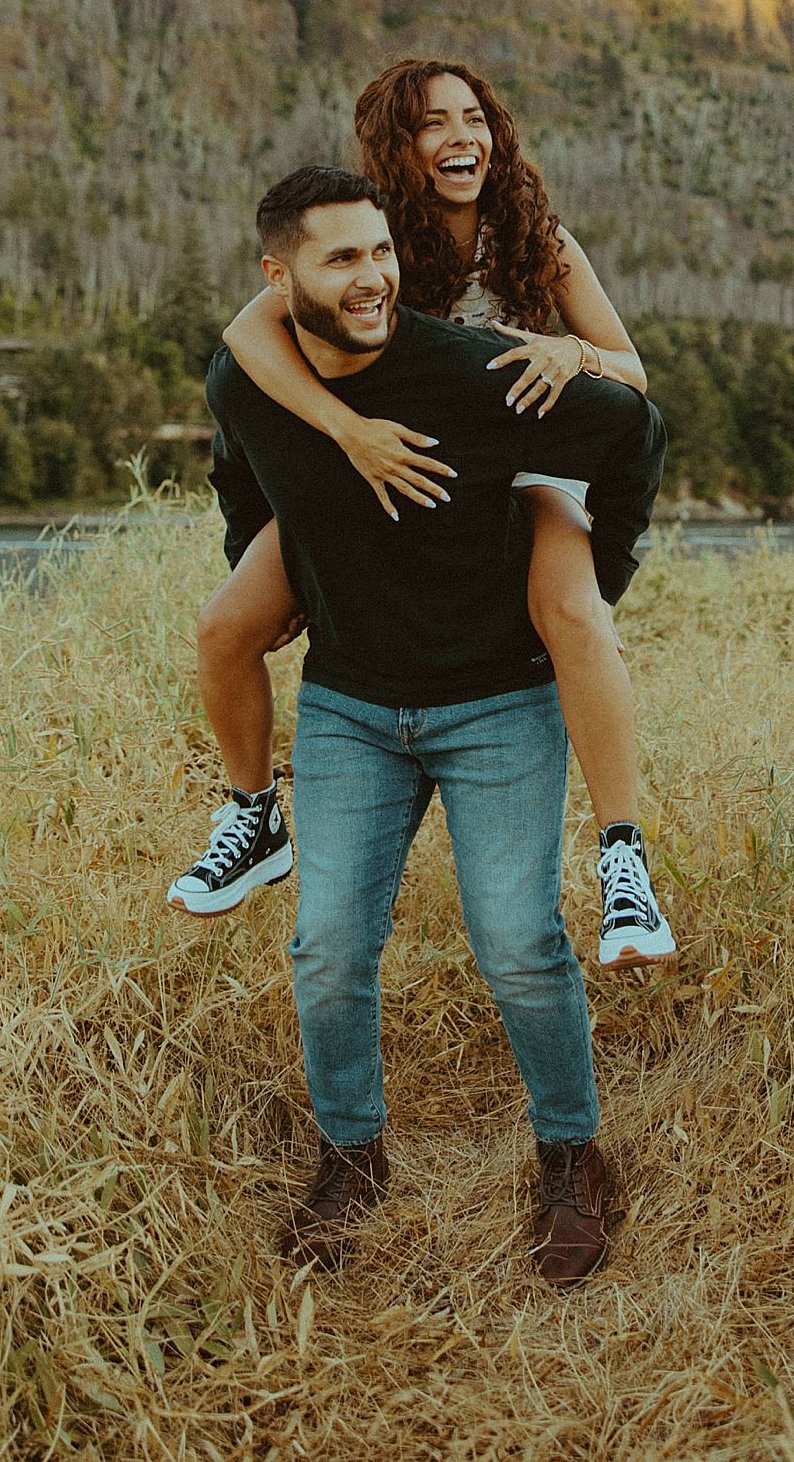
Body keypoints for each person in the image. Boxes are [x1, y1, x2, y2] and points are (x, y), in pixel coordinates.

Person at [203, 166, 665, 1280]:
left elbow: (636, 434)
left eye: (381, 252)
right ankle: (352, 1158)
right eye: (341, 257)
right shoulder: (248, 378)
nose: (373, 277)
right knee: (325, 953)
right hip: (351, 707)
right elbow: (244, 482)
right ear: (279, 278)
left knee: (518, 945)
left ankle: (570, 1156)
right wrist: (280, 575)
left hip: (495, 701)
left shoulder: (475, 371)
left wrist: (584, 587)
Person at [168, 57, 676, 969]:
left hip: (521, 467)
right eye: (434, 124)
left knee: (572, 614)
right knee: (225, 627)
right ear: (398, 149)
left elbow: (632, 374)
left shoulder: (538, 237)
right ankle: (253, 818)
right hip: (393, 470)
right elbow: (249, 333)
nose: (462, 139)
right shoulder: (373, 239)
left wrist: (572, 353)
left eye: (474, 118)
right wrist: (346, 431)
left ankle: (624, 864)